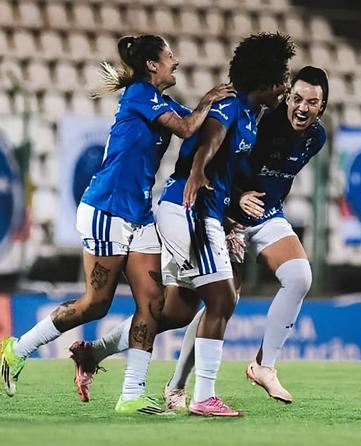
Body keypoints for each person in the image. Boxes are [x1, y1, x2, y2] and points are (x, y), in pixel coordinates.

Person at [68, 64, 324, 412]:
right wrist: (233, 198)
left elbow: (274, 179)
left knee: (298, 277)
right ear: (285, 95)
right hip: (221, 213)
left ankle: (264, 366)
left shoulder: (315, 137)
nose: (302, 107)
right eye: (295, 97)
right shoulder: (261, 121)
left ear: (322, 106)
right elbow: (215, 155)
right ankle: (174, 385)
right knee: (194, 307)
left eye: (312, 102)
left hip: (264, 215)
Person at [0, 34, 234, 415]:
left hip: (139, 214)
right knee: (95, 304)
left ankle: (132, 394)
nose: (176, 61)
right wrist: (210, 100)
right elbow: (190, 128)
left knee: (153, 302)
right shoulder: (140, 94)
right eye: (170, 56)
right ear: (151, 65)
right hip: (107, 209)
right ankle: (15, 349)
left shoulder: (162, 100)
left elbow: (198, 126)